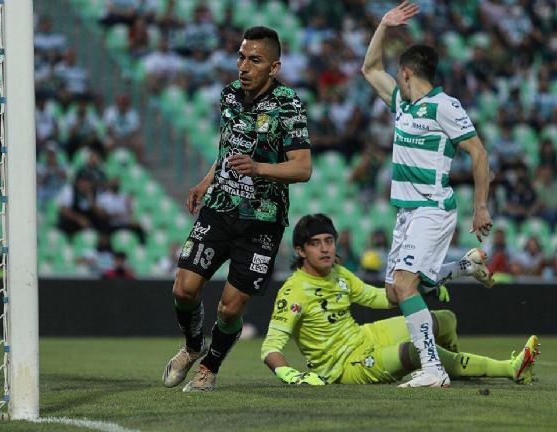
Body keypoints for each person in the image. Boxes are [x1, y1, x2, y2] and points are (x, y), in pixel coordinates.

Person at [162, 26, 313, 392]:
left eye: (254, 60)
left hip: (262, 220)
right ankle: (193, 346)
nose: (244, 66)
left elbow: (303, 168)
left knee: (229, 309)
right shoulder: (229, 94)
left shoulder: (288, 105)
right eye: (241, 57)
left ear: (274, 67)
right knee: (183, 289)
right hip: (220, 206)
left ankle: (209, 368)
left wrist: (259, 168)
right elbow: (229, 149)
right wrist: (206, 181)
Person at [360, 2, 494, 387]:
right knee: (394, 292)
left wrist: (480, 207)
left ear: (405, 72)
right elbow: (369, 69)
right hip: (406, 212)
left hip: (432, 208)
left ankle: (433, 369)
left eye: (398, 72)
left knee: (406, 284)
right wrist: (384, 25)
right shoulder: (402, 104)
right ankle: (463, 267)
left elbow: (479, 153)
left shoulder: (444, 106)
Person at [261, 213, 540, 387]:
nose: (325, 249)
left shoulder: (338, 273)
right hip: (345, 366)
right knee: (418, 350)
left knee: (442, 320)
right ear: (300, 251)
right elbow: (270, 347)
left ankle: (457, 368)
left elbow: (383, 298)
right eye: (315, 243)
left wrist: (421, 288)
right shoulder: (293, 290)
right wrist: (290, 374)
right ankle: (510, 369)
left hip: (364, 336)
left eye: (328, 240)